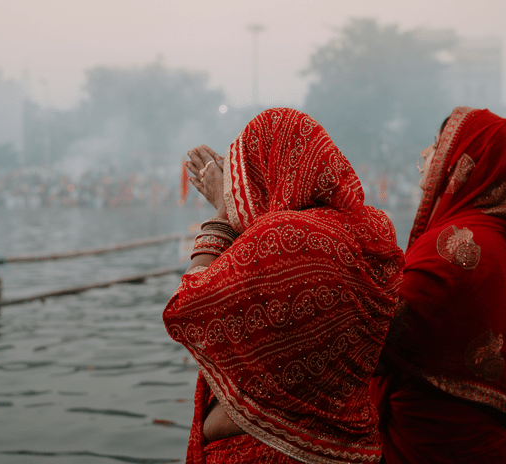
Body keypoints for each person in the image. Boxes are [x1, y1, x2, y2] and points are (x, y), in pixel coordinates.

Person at [162, 108, 405, 463]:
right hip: (352, 447)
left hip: (274, 450)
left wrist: (221, 217)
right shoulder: (371, 230)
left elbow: (185, 307)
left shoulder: (282, 238)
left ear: (267, 170)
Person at [370, 106, 506, 463]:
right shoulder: (498, 237)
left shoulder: (455, 245)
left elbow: (373, 338)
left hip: (439, 446)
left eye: (437, 144)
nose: (426, 154)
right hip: (481, 444)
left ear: (465, 162)